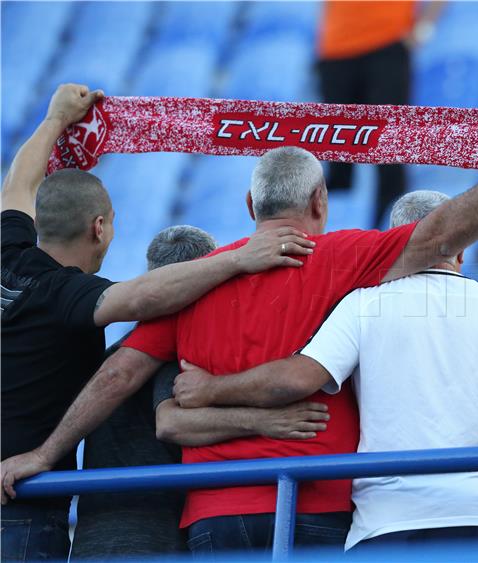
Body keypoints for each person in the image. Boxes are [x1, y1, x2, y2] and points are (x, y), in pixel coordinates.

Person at [1, 108, 478, 555]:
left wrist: (45, 453)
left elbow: (121, 371)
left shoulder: (194, 280)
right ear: (321, 202)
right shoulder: (351, 262)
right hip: (322, 504)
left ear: (250, 202)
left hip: (214, 514)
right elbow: (441, 234)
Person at [0, 84, 315, 562]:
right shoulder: (67, 295)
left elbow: (18, 185)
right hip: (20, 503)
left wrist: (53, 121)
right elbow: (142, 297)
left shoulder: (8, 252)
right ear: (99, 228)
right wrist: (238, 259)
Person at [173, 190, 478, 550]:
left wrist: (210, 389)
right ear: (461, 250)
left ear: (397, 243)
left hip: (386, 525)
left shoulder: (365, 303)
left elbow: (297, 379)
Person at [71, 225, 330, 559]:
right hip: (156, 542)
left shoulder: (113, 355)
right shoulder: (176, 352)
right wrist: (265, 421)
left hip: (93, 540)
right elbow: (170, 424)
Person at [317, 0, 444, 228]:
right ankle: (331, 240)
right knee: (338, 155)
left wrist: (423, 29)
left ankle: (389, 239)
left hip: (387, 44)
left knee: (390, 152)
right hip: (335, 49)